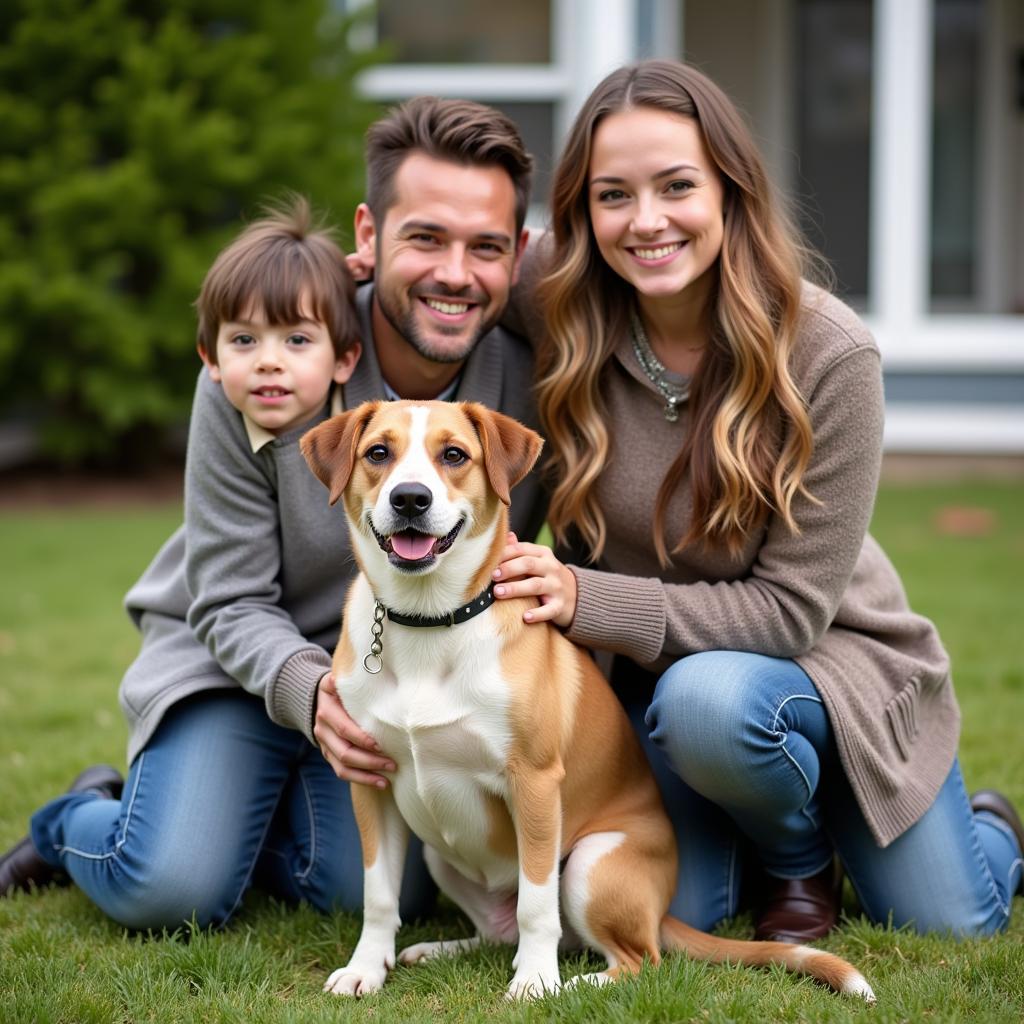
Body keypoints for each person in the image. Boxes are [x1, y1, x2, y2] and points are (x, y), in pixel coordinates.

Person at [492, 59, 1023, 941]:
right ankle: (768, 837)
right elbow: (452, 273)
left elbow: (788, 614)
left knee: (953, 918)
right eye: (612, 195)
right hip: (642, 693)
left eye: (677, 186)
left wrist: (588, 597)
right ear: (581, 210)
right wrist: (360, 267)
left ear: (731, 190)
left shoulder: (829, 354)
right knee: (672, 913)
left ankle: (921, 840)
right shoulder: (563, 304)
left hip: (817, 664)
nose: (647, 221)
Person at [1, 98, 547, 930]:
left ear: (520, 253)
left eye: (487, 247)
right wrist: (310, 690)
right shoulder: (275, 351)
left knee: (377, 893)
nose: (455, 273)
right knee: (172, 887)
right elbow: (224, 596)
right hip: (239, 659)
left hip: (398, 671)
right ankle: (80, 817)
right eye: (426, 238)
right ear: (369, 234)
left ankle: (236, 813)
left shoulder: (535, 376)